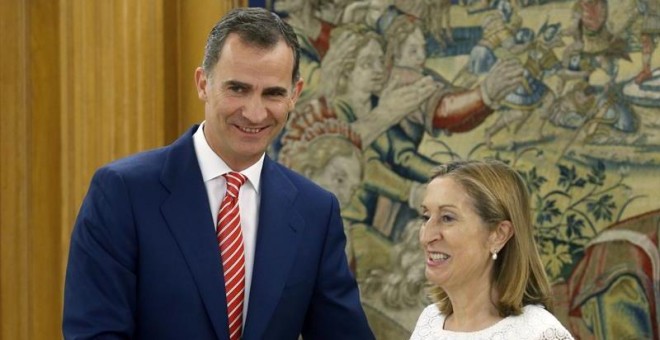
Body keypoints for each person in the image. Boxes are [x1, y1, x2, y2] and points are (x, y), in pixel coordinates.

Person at [62, 7, 374, 340]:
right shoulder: (123, 193)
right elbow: (95, 333)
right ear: (203, 84)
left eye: (273, 93)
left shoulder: (316, 211)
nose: (254, 113)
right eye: (238, 89)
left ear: (294, 95)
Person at [411, 159, 574, 339]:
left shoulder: (538, 332)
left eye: (448, 218)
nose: (427, 237)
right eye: (426, 217)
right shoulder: (429, 322)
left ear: (499, 235)